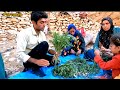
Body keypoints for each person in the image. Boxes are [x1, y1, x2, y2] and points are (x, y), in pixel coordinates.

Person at [16, 11, 57, 77]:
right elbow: (19, 53)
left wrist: (55, 52)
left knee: (55, 61)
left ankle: (39, 64)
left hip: (40, 56)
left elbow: (46, 49)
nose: (44, 25)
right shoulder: (24, 34)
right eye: (41, 22)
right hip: (29, 61)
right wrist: (37, 61)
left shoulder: (42, 34)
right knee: (44, 44)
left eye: (45, 22)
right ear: (33, 22)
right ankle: (34, 67)